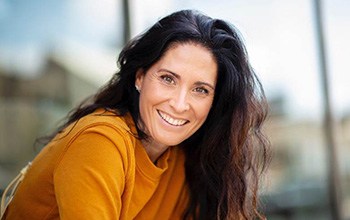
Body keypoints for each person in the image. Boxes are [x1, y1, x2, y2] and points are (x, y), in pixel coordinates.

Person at [1, 9, 270, 220]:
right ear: (140, 77)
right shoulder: (100, 142)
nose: (179, 104)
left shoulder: (186, 159)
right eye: (167, 79)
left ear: (215, 101)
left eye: (200, 89)